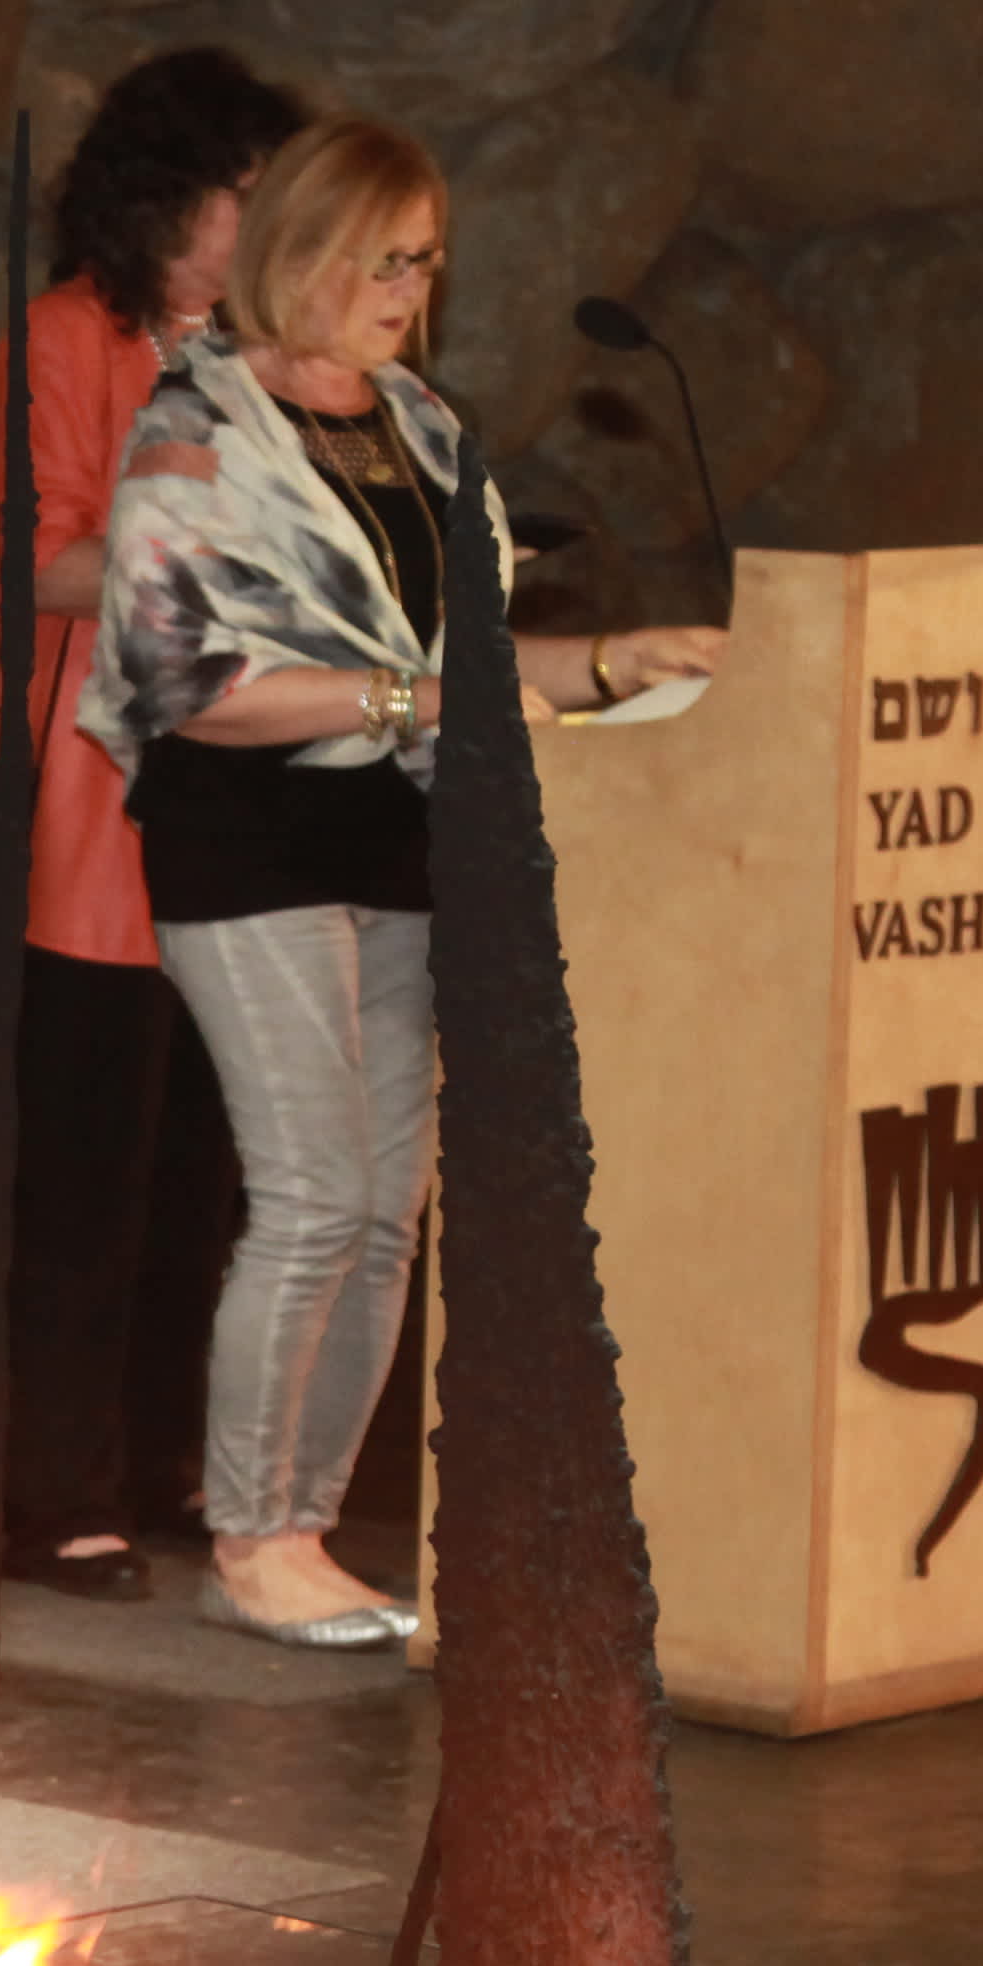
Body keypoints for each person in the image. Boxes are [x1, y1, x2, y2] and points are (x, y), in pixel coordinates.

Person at [85, 115, 720, 1649]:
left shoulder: (426, 426)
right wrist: (401, 703)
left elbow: (475, 671)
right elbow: (193, 682)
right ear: (298, 252)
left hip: (406, 848)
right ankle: (249, 1540)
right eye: (382, 256)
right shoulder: (195, 428)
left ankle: (302, 1525)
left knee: (387, 1211)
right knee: (311, 1197)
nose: (406, 286)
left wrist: (623, 659)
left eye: (424, 258)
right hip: (247, 851)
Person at [0, 46, 300, 1600]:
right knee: (84, 1163)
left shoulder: (283, 357)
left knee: (208, 1172)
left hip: (230, 796)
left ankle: (158, 1466)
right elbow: (47, 562)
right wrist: (217, 538)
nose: (272, 227)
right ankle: (48, 1489)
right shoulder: (66, 343)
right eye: (248, 196)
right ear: (168, 199)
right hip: (89, 793)